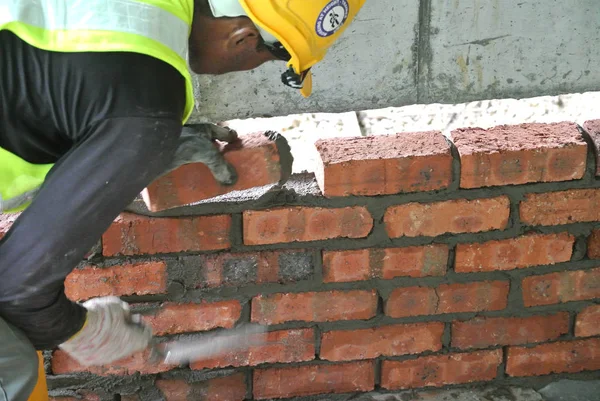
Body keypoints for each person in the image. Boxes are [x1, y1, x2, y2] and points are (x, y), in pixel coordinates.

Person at [0, 0, 366, 400]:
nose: (256, 67)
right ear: (243, 36)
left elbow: (44, 89)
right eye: (273, 59)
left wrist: (118, 143)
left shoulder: (137, 29)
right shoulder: (145, 112)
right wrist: (85, 331)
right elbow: (17, 292)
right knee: (12, 365)